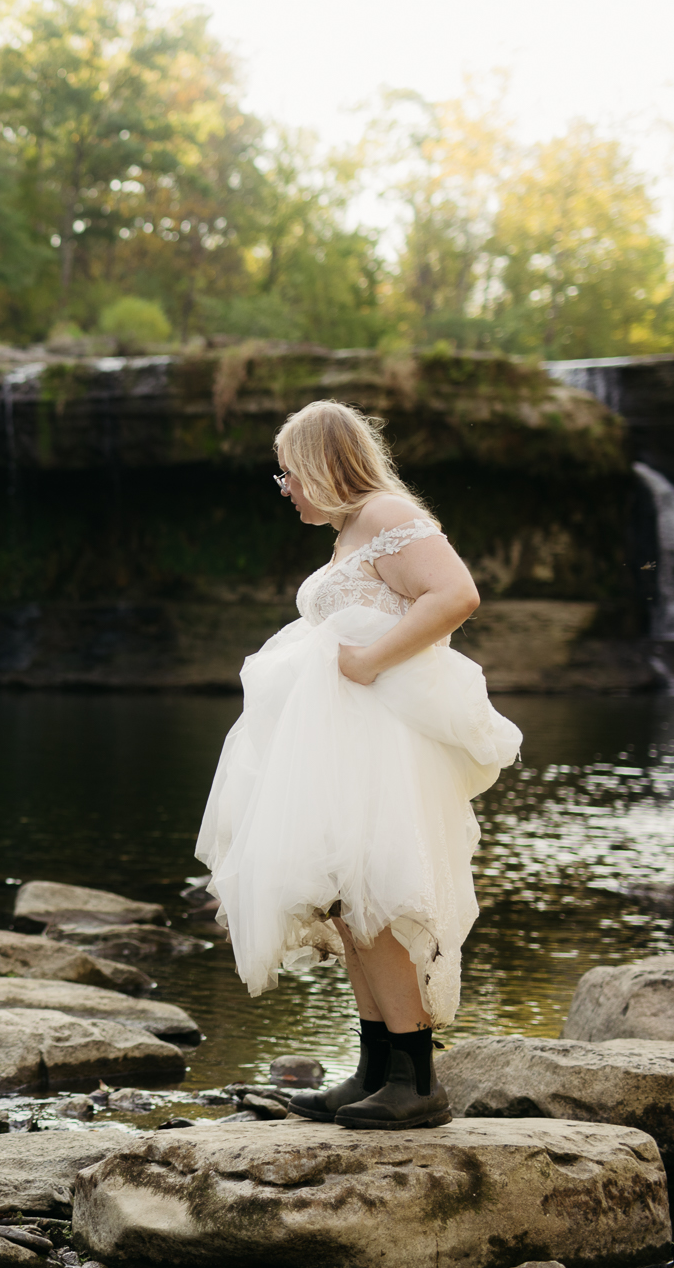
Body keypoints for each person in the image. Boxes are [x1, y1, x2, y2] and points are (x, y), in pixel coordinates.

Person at [196, 401, 520, 1130]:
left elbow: (456, 593)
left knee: (375, 897)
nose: (286, 489)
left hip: (376, 740)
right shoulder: (351, 533)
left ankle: (417, 1081)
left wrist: (369, 660)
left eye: (288, 473)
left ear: (319, 461)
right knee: (348, 904)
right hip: (340, 742)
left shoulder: (384, 511)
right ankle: (375, 1068)